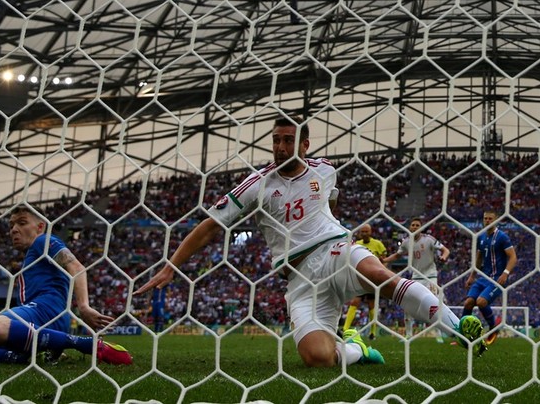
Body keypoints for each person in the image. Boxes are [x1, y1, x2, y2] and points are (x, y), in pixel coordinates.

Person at [135, 117, 486, 368]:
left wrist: (336, 231)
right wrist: (171, 265)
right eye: (276, 140)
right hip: (299, 281)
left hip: (333, 251)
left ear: (304, 144)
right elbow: (210, 226)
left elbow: (330, 203)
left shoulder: (324, 169)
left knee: (378, 272)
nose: (280, 147)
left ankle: (459, 328)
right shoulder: (258, 184)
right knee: (317, 358)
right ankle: (356, 349)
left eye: (288, 140)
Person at [0, 206, 132, 365]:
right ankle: (19, 357)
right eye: (11, 225)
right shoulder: (30, 259)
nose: (14, 229)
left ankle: (86, 344)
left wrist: (84, 307)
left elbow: (76, 266)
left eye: (22, 223)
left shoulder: (43, 241)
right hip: (30, 326)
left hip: (47, 313)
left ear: (40, 226)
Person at [382, 217, 450, 343]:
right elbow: (398, 255)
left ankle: (438, 334)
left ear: (421, 227)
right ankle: (408, 335)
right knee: (408, 303)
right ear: (409, 227)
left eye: (417, 225)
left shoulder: (429, 239)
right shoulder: (406, 242)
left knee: (434, 303)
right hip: (416, 276)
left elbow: (445, 250)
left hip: (430, 275)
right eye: (412, 225)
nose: (414, 227)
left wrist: (444, 257)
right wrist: (385, 260)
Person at [464, 210, 518, 345]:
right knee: (468, 303)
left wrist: (505, 273)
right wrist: (472, 276)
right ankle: (464, 332)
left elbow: (513, 257)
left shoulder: (502, 237)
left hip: (496, 279)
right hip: (482, 278)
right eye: (485, 218)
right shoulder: (481, 237)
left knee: (481, 302)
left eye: (490, 219)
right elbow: (479, 257)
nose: (487, 221)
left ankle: (493, 328)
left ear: (496, 220)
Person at [342, 223, 388, 340]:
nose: (364, 234)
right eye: (362, 232)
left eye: (366, 231)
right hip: (360, 279)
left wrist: (383, 272)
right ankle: (345, 329)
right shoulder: (356, 245)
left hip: (373, 280)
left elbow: (385, 259)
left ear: (370, 232)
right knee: (354, 302)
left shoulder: (378, 244)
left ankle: (373, 333)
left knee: (371, 305)